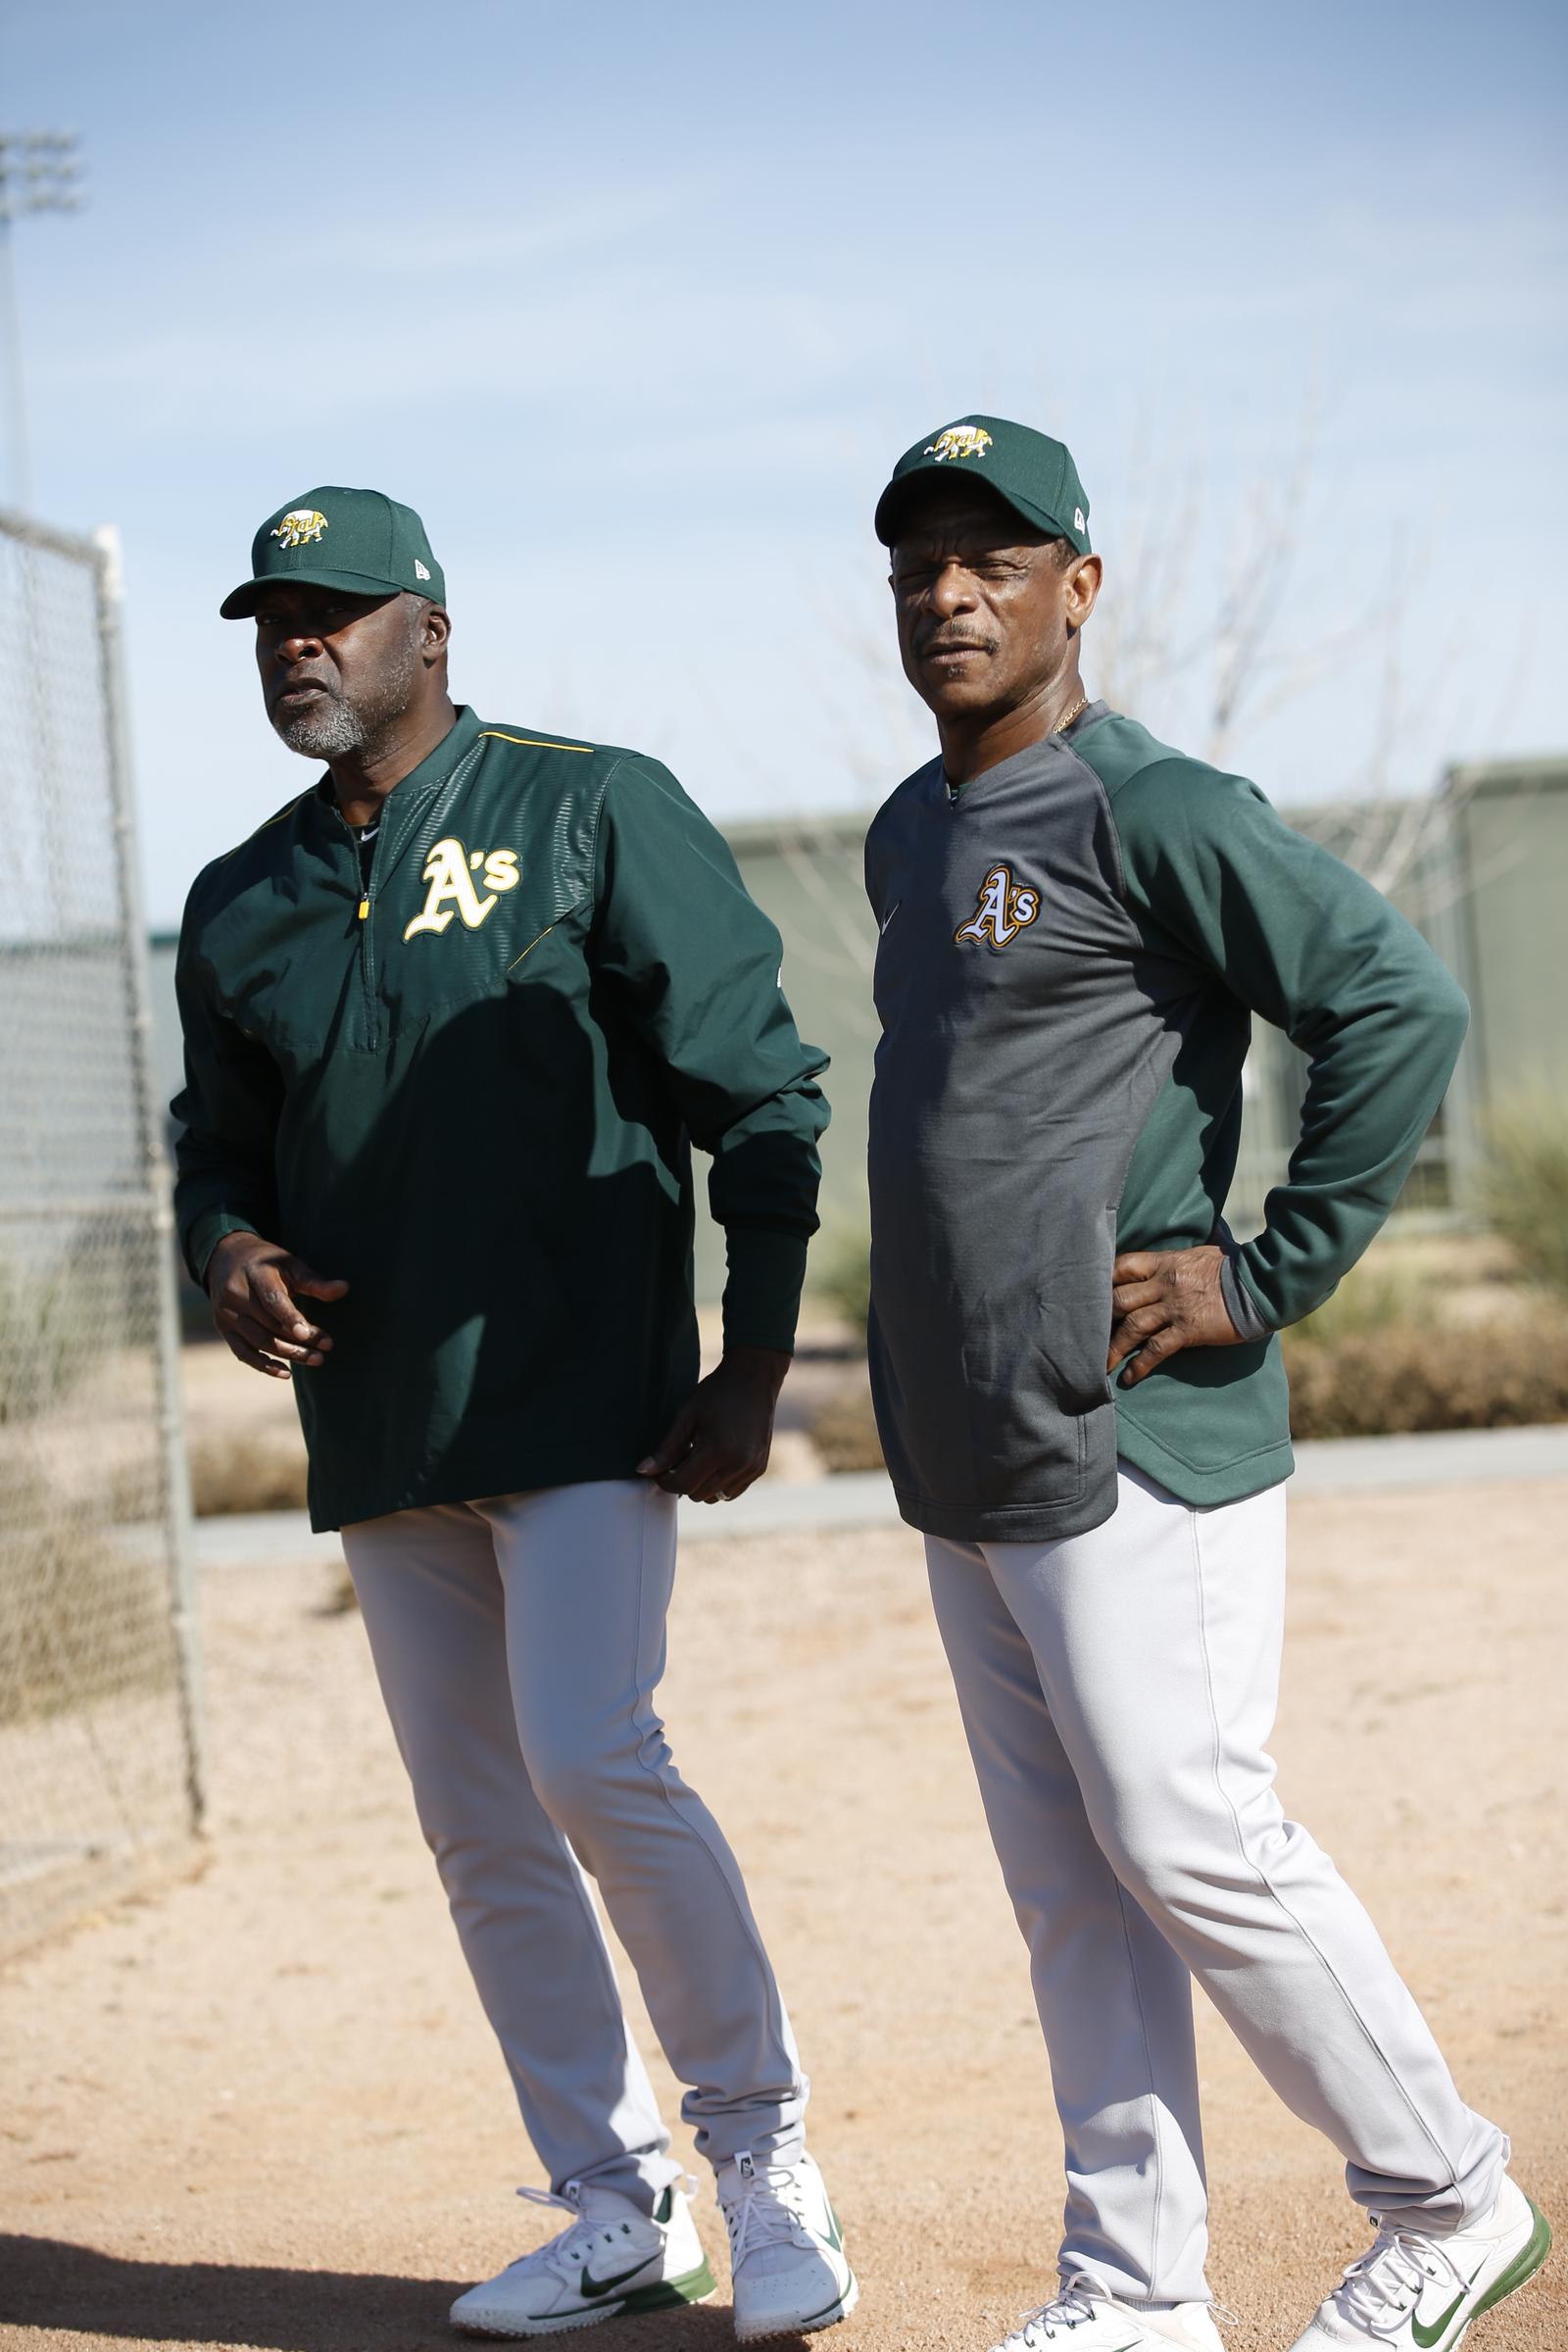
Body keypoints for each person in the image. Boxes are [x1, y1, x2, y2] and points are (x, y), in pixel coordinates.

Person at [861, 416, 1549, 2352]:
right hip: (965, 1450)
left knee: (1191, 1840)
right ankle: (1134, 2294)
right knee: (1073, 1895)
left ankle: (1445, 2197)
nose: (947, 594)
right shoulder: (908, 832)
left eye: (992, 559)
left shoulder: (1151, 806)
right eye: (916, 562)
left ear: (1077, 589)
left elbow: (1394, 999)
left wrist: (1267, 1271)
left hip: (1133, 1439)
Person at [172, 486, 857, 2343]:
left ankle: (761, 2154)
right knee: (477, 1823)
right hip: (382, 1430)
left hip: (584, 1405)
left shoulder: (587, 803)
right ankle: (611, 2206)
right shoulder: (240, 898)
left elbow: (768, 1095)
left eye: (330, 610)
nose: (294, 643)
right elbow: (212, 1151)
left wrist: (753, 1358)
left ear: (429, 631)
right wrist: (225, 1246)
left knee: (590, 1758)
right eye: (266, 619)